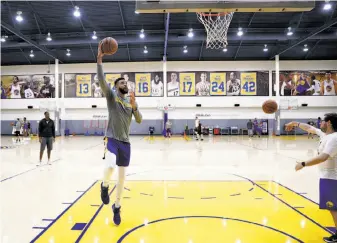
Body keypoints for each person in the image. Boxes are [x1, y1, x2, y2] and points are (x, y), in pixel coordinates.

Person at [97, 42, 142, 226]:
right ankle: (104, 185)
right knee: (109, 165)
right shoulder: (111, 96)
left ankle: (117, 206)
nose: (125, 84)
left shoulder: (130, 101)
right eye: (122, 82)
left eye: (126, 82)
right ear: (116, 87)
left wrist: (135, 105)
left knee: (122, 179)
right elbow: (101, 80)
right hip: (112, 138)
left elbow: (139, 119)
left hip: (126, 143)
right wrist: (99, 58)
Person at [285, 113, 337, 243]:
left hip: (332, 177)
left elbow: (323, 157)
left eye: (322, 121)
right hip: (328, 177)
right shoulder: (327, 135)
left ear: (329, 123)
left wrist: (303, 164)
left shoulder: (334, 138)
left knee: (333, 207)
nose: (320, 123)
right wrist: (294, 123)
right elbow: (309, 128)